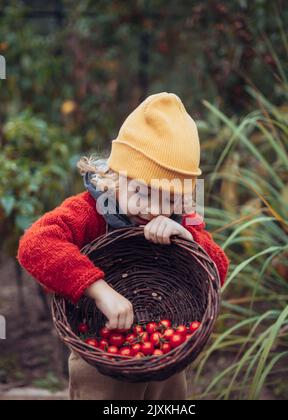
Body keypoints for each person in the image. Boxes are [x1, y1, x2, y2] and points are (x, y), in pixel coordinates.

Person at [17, 92, 230, 400]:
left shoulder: (181, 219)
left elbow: (218, 268)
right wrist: (99, 290)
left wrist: (188, 238)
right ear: (116, 175)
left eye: (168, 197)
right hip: (99, 353)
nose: (153, 208)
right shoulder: (91, 210)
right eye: (141, 192)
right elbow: (35, 245)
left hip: (164, 354)